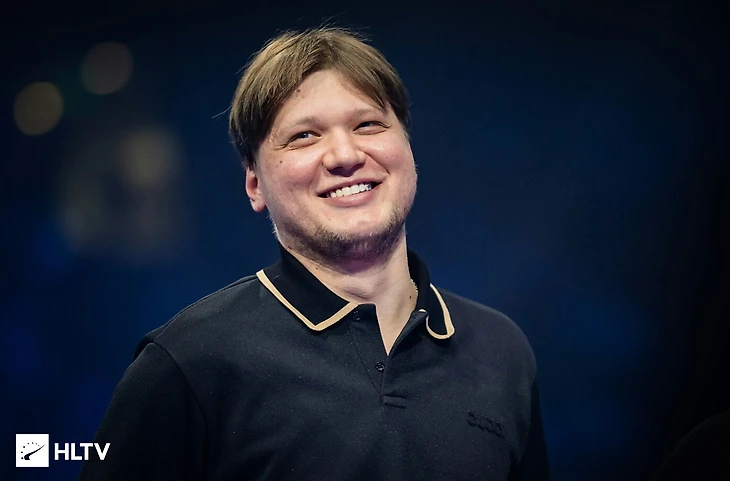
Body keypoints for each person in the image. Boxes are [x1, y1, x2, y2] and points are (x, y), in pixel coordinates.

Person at [79, 26, 550, 481]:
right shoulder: (189, 363)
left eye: (368, 124)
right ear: (254, 183)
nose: (345, 155)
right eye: (304, 135)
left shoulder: (502, 351)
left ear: (407, 149)